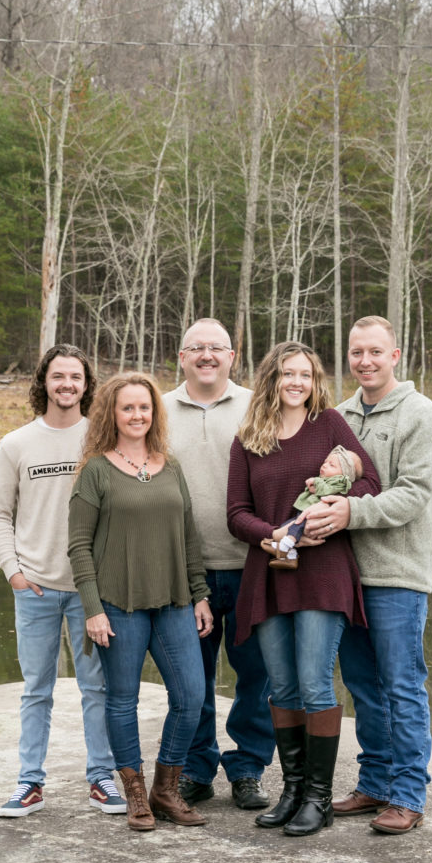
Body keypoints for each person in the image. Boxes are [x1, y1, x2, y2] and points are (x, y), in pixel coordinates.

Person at [227, 342, 381, 837]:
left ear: (315, 382)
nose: (297, 382)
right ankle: (292, 790)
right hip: (271, 571)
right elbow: (235, 514)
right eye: (287, 374)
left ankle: (319, 797)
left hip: (324, 573)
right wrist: (270, 533)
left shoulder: (331, 425)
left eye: (306, 374)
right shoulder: (248, 438)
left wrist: (335, 514)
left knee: (315, 682)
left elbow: (369, 481)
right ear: (270, 378)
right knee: (283, 685)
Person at [304, 315, 432, 834]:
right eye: (356, 352)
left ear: (395, 355)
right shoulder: (337, 415)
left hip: (397, 577)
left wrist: (350, 513)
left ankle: (408, 795)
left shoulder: (421, 416)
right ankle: (375, 783)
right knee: (363, 686)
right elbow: (321, 487)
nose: (364, 361)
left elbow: (413, 495)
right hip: (344, 576)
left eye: (374, 352)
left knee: (402, 685)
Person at [68, 373, 213, 833]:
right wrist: (92, 608)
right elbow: (78, 545)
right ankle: (134, 793)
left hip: (173, 602)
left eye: (145, 408)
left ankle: (166, 789)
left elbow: (189, 536)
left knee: (191, 696)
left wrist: (200, 596)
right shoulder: (95, 470)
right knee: (122, 701)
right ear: (112, 413)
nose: (137, 415)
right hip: (117, 606)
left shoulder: (169, 466)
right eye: (128, 408)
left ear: (155, 413)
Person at [0, 344, 126, 819]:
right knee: (36, 689)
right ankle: (29, 784)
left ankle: (101, 779)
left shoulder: (100, 441)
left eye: (76, 378)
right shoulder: (17, 444)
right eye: (58, 376)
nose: (67, 385)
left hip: (90, 591)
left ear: (87, 385)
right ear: (43, 381)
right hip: (37, 588)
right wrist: (15, 573)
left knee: (97, 689)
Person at [163, 319, 275, 812]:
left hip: (254, 563)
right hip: (187, 570)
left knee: (256, 676)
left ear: (233, 356)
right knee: (192, 678)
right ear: (181, 356)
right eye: (197, 348)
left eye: (217, 348)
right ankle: (196, 768)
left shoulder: (258, 405)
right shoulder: (159, 410)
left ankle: (248, 768)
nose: (207, 355)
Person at [260, 445, 363, 569]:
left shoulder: (341, 482)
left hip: (315, 516)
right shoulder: (326, 480)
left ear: (345, 474)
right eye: (325, 462)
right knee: (286, 526)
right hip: (306, 512)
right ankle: (290, 557)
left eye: (332, 465)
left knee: (296, 526)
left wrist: (315, 482)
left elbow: (327, 490)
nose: (324, 465)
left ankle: (284, 547)